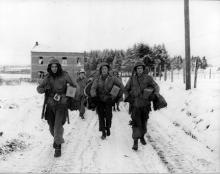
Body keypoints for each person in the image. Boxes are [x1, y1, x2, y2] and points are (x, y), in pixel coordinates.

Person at [37, 58, 77, 157]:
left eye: (55, 66)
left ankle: (58, 147)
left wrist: (66, 98)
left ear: (58, 67)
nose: (54, 68)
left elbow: (73, 86)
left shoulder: (65, 75)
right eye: (52, 66)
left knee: (57, 126)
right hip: (50, 105)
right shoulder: (48, 77)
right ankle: (57, 138)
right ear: (50, 67)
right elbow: (39, 88)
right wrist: (44, 89)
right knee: (51, 127)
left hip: (61, 105)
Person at [124, 61, 160, 151]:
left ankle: (142, 136)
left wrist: (154, 95)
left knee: (144, 122)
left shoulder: (148, 78)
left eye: (141, 68)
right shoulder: (132, 79)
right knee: (135, 123)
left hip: (145, 105)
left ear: (143, 69)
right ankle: (135, 142)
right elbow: (126, 89)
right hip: (135, 104)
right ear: (135, 70)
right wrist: (128, 97)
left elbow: (156, 87)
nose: (139, 70)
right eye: (137, 68)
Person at [90, 62, 124, 140]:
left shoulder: (113, 78)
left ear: (108, 70)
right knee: (101, 116)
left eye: (105, 68)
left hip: (109, 99)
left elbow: (121, 86)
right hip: (100, 100)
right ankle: (103, 132)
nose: (104, 70)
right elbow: (93, 88)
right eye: (102, 69)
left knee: (109, 116)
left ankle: (108, 127)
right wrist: (94, 97)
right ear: (100, 70)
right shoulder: (97, 79)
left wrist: (115, 96)